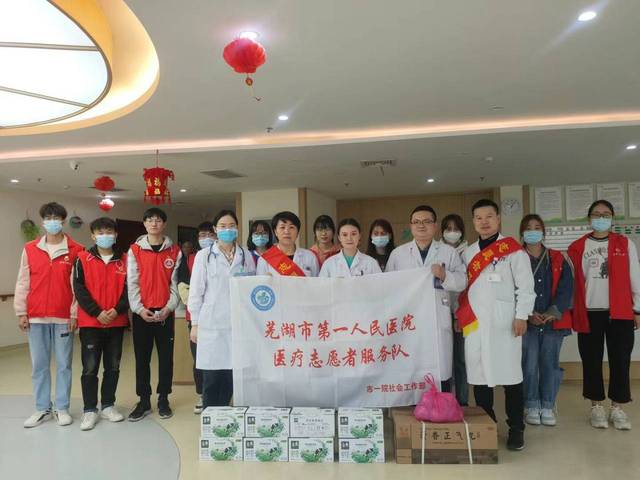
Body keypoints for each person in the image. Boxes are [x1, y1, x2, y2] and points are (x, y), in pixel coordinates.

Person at [456, 199, 535, 451]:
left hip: (505, 324)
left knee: (511, 378)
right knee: (479, 378)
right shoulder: (467, 253)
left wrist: (522, 315)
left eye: (489, 216)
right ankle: (486, 425)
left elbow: (526, 287)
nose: (484, 222)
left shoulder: (513, 251)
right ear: (473, 222)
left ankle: (516, 428)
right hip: (475, 325)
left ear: (498, 219)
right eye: (479, 218)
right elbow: (462, 289)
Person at [568, 200, 640, 431]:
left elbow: (635, 277)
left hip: (620, 313)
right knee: (591, 361)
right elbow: (573, 284)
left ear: (612, 217)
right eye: (596, 214)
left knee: (621, 361)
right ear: (589, 218)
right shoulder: (577, 246)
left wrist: (637, 309)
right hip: (590, 313)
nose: (601, 218)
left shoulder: (624, 243)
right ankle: (596, 406)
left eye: (606, 214)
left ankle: (618, 407)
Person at [14, 202, 84, 428]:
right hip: (36, 317)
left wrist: (74, 314)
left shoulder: (76, 250)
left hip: (63, 317)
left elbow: (78, 287)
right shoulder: (30, 248)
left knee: (64, 365)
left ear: (63, 221)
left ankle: (61, 407)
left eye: (56, 218)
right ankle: (42, 408)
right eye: (48, 218)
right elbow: (23, 281)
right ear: (43, 221)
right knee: (39, 365)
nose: (52, 221)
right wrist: (21, 311)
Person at [386, 205, 467, 393]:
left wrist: (445, 275)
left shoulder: (449, 252)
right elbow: (388, 287)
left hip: (438, 319)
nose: (421, 225)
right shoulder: (398, 254)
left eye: (426, 221)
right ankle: (414, 407)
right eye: (416, 222)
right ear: (411, 226)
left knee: (440, 370)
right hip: (408, 321)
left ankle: (440, 406)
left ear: (435, 226)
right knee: (412, 369)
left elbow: (462, 281)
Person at [188, 210, 256, 408]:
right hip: (212, 325)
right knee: (211, 378)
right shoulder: (204, 256)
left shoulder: (245, 255)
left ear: (237, 228)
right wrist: (195, 324)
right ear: (215, 229)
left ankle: (225, 416)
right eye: (223, 226)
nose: (228, 230)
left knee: (230, 376)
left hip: (238, 324)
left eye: (232, 226)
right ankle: (210, 418)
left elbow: (252, 287)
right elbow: (196, 292)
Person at [73, 217, 129, 431]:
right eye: (100, 232)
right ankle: (89, 409)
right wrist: (97, 312)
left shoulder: (125, 260)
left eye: (109, 231)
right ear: (93, 235)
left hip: (116, 322)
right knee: (90, 368)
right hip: (91, 323)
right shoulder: (82, 258)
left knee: (113, 366)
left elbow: (130, 288)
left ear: (115, 235)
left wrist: (117, 310)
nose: (105, 235)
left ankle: (108, 405)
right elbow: (79, 289)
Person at [127, 207, 182, 421]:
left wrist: (169, 308)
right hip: (142, 314)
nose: (154, 223)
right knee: (142, 359)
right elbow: (132, 282)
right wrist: (139, 309)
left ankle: (163, 399)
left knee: (166, 359)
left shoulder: (174, 251)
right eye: (150, 220)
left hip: (165, 314)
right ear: (144, 224)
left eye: (158, 220)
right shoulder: (135, 250)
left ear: (164, 224)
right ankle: (143, 401)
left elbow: (175, 285)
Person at [519, 214, 573, 427]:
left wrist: (554, 310)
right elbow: (511, 288)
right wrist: (528, 313)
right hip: (527, 322)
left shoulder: (558, 257)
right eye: (528, 228)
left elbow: (567, 287)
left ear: (543, 232)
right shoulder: (516, 258)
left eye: (537, 227)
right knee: (529, 364)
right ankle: (531, 404)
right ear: (522, 233)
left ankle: (548, 404)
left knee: (550, 363)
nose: (533, 231)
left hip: (553, 322)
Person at [177, 221, 216, 414]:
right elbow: (183, 285)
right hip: (196, 318)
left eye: (209, 234)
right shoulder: (191, 258)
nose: (206, 238)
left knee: (218, 357)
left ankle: (219, 394)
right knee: (199, 357)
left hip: (220, 317)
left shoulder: (227, 256)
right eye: (202, 235)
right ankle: (202, 394)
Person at [441, 213, 469, 406]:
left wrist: (459, 314)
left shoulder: (469, 253)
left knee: (460, 359)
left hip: (461, 312)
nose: (452, 233)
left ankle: (462, 401)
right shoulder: (438, 251)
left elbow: (466, 286)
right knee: (443, 360)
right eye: (448, 229)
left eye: (456, 229)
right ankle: (445, 401)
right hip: (440, 311)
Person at [256, 211, 320, 277]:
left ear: (297, 232)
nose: (287, 231)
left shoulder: (310, 257)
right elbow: (260, 283)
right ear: (275, 232)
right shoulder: (264, 260)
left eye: (291, 227)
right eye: (282, 227)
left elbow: (317, 282)